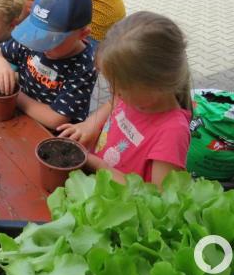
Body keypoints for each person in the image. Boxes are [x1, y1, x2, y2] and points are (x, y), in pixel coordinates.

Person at [57, 12, 192, 188]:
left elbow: (158, 200)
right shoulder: (136, 98)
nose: (114, 92)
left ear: (155, 85)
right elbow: (113, 103)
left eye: (121, 88)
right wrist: (90, 124)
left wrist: (96, 164)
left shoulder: (172, 133)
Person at [0, 0, 97, 129]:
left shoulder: (86, 65)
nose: (43, 44)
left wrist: (14, 95)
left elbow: (56, 119)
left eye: (53, 39)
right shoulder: (35, 38)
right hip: (20, 119)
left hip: (48, 136)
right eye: (41, 34)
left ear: (82, 34)